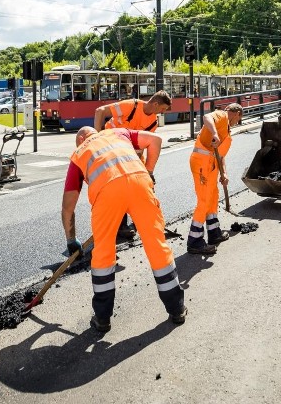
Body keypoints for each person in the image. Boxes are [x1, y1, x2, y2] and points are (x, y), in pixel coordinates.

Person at [60, 126, 186, 332]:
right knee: (156, 245)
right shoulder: (119, 133)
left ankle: (102, 318)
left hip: (107, 194)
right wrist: (150, 171)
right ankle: (176, 309)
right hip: (140, 183)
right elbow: (155, 140)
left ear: (82, 138)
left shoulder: (79, 152)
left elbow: (67, 206)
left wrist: (70, 238)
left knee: (103, 253)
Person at [93, 90, 172, 239]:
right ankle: (120, 226)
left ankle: (141, 221)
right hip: (111, 148)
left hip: (129, 151)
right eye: (162, 109)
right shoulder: (131, 106)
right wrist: (97, 139)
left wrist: (144, 171)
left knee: (143, 183)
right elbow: (100, 111)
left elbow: (142, 147)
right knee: (119, 185)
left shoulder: (153, 121)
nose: (162, 113)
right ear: (155, 104)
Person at [187, 103, 243, 255]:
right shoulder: (222, 115)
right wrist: (215, 134)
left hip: (212, 167)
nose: (237, 122)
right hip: (202, 163)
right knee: (204, 200)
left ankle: (214, 233)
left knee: (212, 198)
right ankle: (195, 241)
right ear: (236, 113)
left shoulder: (227, 131)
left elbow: (221, 156)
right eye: (239, 119)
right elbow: (206, 117)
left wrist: (224, 173)